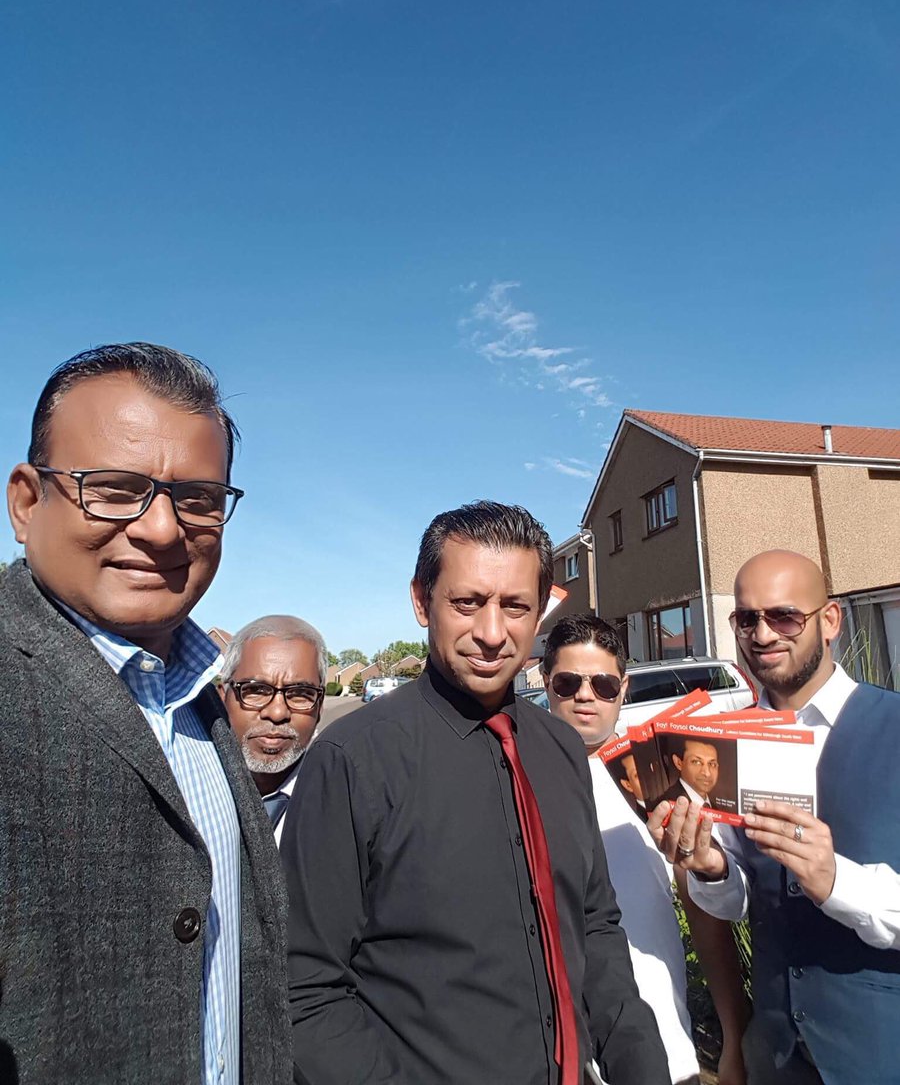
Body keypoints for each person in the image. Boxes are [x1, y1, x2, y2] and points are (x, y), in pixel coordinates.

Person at [282, 501, 669, 1085]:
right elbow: (306, 989)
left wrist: (641, 1068)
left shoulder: (562, 750)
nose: (492, 634)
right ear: (422, 601)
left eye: (515, 606)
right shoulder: (351, 761)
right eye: (467, 603)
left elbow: (594, 926)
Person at [0, 343, 290, 1085]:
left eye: (198, 498)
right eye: (114, 488)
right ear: (27, 502)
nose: (162, 529)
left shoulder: (200, 700)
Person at [650, 549, 900, 1085]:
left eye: (784, 616)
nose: (762, 635)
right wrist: (711, 869)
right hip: (775, 1055)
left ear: (829, 620)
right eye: (746, 619)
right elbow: (739, 899)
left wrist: (837, 881)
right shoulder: (725, 742)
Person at [543, 614, 748, 1085]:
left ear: (624, 688)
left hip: (660, 1047)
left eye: (603, 685)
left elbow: (707, 915)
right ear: (546, 682)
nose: (585, 696)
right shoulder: (517, 781)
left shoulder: (655, 781)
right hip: (552, 1055)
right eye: (569, 683)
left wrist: (734, 1034)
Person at [217, 614, 326, 845]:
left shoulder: (345, 799)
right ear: (222, 697)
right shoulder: (188, 790)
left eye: (300, 694)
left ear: (320, 706)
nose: (277, 713)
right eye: (256, 690)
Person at [658, 738, 720, 806]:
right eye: (696, 762)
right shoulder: (662, 804)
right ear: (678, 763)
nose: (707, 773)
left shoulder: (715, 808)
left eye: (712, 764)